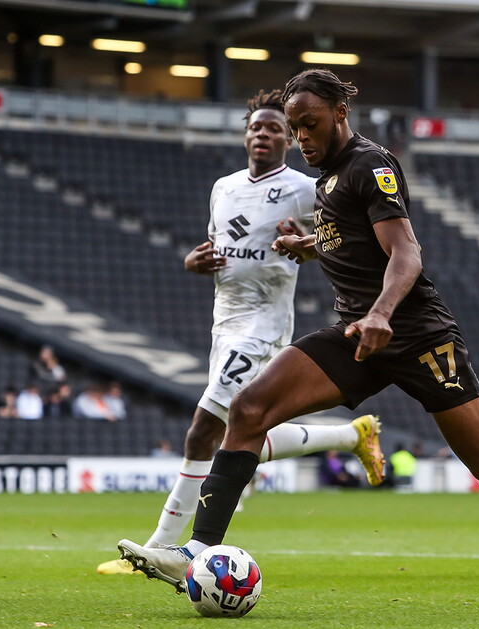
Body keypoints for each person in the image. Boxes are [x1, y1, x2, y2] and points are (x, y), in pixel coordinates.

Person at [118, 69, 479, 592]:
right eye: (295, 126)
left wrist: (381, 313)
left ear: (340, 114)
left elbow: (406, 251)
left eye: (311, 124)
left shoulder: (370, 165)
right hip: (356, 336)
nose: (302, 137)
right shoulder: (326, 175)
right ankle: (199, 550)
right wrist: (309, 246)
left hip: (417, 336)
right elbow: (350, 238)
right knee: (249, 409)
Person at [99, 88, 385, 576]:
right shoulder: (223, 187)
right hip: (224, 322)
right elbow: (216, 249)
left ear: (289, 139)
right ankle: (348, 435)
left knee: (202, 430)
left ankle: (160, 548)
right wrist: (194, 260)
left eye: (275, 128)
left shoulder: (303, 187)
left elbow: (343, 236)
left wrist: (309, 241)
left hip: (265, 325)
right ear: (245, 135)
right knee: (240, 433)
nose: (264, 134)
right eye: (257, 127)